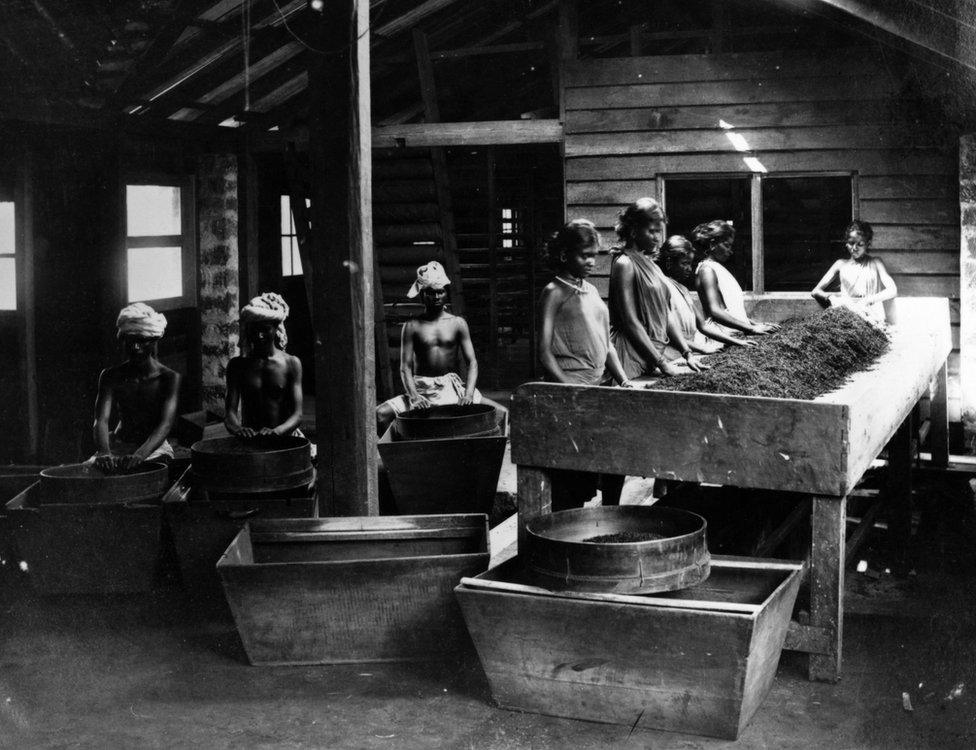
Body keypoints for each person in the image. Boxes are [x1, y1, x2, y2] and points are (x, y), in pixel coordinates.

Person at [538, 220, 636, 510]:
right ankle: (570, 529)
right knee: (572, 479)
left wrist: (623, 380)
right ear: (565, 255)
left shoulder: (592, 291)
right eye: (584, 255)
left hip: (598, 388)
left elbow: (606, 344)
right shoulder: (553, 292)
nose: (592, 261)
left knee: (614, 457)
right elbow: (544, 353)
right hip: (569, 391)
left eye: (595, 255)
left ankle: (611, 515)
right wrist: (571, 390)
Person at [376, 261, 507, 436]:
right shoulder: (412, 326)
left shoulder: (457, 323)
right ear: (422, 295)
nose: (437, 296)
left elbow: (472, 362)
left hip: (451, 387)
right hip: (422, 389)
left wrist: (468, 394)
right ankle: (408, 451)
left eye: (440, 291)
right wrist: (414, 396)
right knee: (380, 415)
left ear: (446, 293)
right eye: (431, 293)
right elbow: (405, 367)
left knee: (503, 414)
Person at [609, 198, 706, 379]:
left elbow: (667, 314)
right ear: (633, 230)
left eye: (659, 232)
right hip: (631, 356)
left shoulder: (652, 266)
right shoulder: (624, 263)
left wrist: (687, 353)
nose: (657, 237)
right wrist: (662, 363)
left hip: (654, 356)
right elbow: (630, 322)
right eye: (651, 231)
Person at [91, 303, 180, 471]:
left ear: (153, 341)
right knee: (91, 476)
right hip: (118, 445)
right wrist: (104, 452)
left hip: (153, 448)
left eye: (141, 341)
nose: (135, 347)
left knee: (141, 474)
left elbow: (165, 425)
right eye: (130, 342)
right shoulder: (110, 376)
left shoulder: (169, 378)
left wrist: (140, 454)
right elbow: (101, 419)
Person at [659, 235, 757, 359]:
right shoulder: (661, 286)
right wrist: (702, 348)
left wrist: (736, 341)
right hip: (671, 354)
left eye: (690, 264)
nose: (689, 269)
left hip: (689, 350)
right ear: (669, 263)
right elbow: (666, 334)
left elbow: (703, 326)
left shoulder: (683, 290)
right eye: (684, 263)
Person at [225, 292, 304, 440]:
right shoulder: (237, 366)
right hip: (250, 440)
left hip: (284, 439)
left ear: (276, 328)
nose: (259, 335)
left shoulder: (291, 363)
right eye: (254, 329)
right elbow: (230, 413)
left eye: (265, 329)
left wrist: (277, 432)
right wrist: (238, 429)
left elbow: (297, 415)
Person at [693, 220, 779, 336]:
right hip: (719, 335)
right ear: (713, 244)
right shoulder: (707, 270)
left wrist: (756, 324)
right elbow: (715, 311)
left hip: (731, 332)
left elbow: (732, 312)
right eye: (727, 245)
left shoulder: (717, 269)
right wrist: (752, 329)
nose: (730, 251)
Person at [811, 220, 896, 324]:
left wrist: (867, 300)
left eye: (860, 244)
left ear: (867, 244)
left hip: (870, 314)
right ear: (846, 243)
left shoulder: (875, 263)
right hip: (847, 316)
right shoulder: (840, 264)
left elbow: (892, 290)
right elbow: (815, 291)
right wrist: (831, 297)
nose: (854, 248)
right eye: (851, 243)